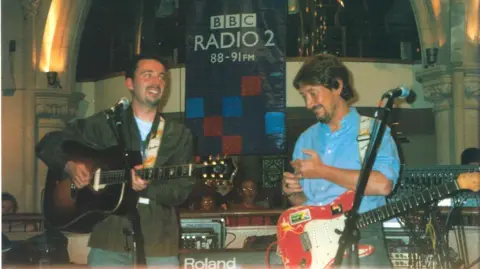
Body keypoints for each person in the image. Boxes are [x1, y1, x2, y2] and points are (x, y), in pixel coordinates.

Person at [35, 53, 196, 268]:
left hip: (159, 243)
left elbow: (182, 192)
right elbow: (48, 144)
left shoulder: (178, 134)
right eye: (147, 75)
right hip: (109, 240)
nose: (156, 82)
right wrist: (69, 165)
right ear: (130, 83)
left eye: (161, 77)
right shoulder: (106, 124)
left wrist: (146, 188)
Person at [281, 54, 400, 268]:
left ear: (336, 86)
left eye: (313, 93)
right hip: (315, 244)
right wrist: (293, 192)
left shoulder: (373, 130)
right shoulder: (305, 139)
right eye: (303, 96)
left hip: (363, 234)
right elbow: (305, 202)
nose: (308, 104)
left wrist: (322, 171)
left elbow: (383, 185)